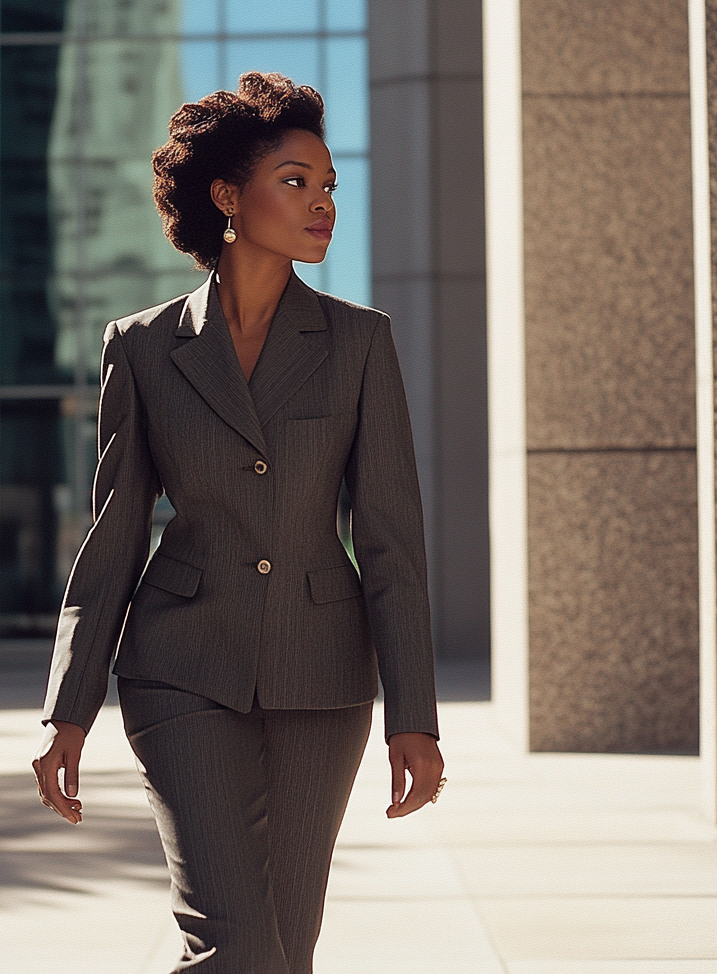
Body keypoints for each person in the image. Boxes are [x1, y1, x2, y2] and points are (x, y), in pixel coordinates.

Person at [33, 71, 444, 973]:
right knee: (234, 942)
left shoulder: (360, 343)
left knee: (287, 951)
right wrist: (70, 708)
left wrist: (414, 714)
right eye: (296, 181)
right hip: (181, 670)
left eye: (329, 185)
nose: (322, 203)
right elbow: (115, 532)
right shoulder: (141, 348)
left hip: (321, 679)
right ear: (227, 196)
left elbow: (390, 541)